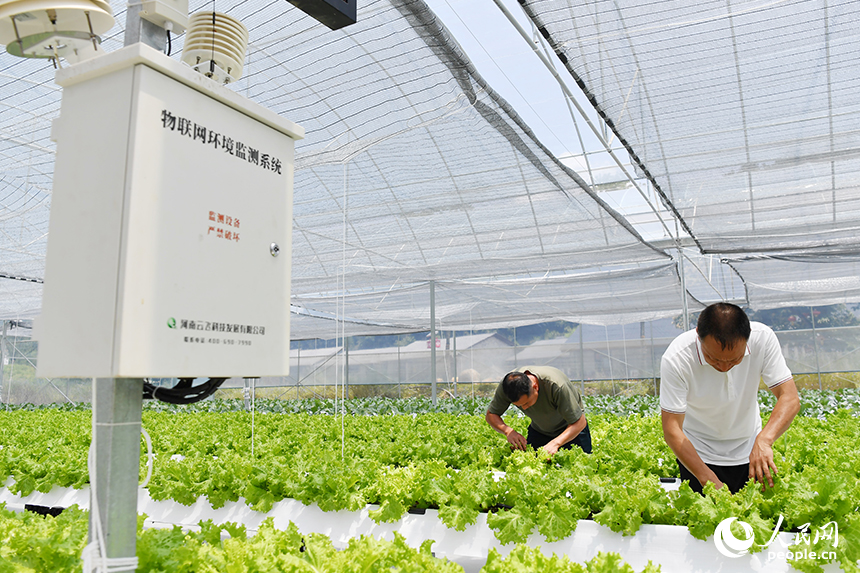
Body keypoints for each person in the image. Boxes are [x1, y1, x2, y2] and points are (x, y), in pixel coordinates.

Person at [660, 302, 800, 494]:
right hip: (698, 455)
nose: (724, 367)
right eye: (714, 359)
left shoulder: (763, 339)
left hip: (751, 452)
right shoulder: (677, 358)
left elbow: (789, 397)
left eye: (735, 359)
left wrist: (765, 440)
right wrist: (707, 479)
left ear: (748, 337)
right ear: (698, 335)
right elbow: (671, 428)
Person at [485, 365, 591, 455]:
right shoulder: (508, 386)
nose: (524, 408)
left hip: (572, 432)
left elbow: (580, 422)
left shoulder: (556, 385)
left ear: (535, 387)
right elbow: (491, 414)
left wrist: (556, 443)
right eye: (519, 406)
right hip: (540, 431)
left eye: (526, 403)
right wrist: (508, 432)